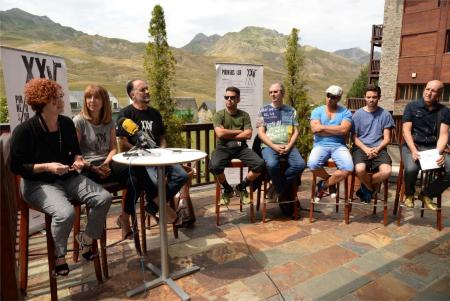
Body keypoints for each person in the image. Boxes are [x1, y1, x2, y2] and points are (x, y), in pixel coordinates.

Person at [10, 78, 112, 276]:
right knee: (66, 213)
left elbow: (76, 152)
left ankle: (86, 239)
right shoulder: (24, 131)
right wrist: (47, 167)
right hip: (38, 184)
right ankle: (59, 255)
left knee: (104, 198)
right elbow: (16, 166)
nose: (60, 101)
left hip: (68, 177)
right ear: (41, 103)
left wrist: (79, 160)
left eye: (60, 97)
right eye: (54, 98)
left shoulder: (66, 123)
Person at [73, 84, 149, 239]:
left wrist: (106, 163)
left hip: (107, 163)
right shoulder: (79, 121)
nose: (92, 101)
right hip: (87, 168)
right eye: (89, 97)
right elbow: (75, 153)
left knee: (136, 173)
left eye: (96, 97)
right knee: (134, 177)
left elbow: (113, 147)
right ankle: (91, 236)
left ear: (104, 101)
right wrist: (94, 168)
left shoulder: (108, 122)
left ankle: (125, 218)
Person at [117, 79, 188, 223]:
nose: (147, 92)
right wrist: (142, 153)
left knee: (182, 175)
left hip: (158, 157)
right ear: (132, 95)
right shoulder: (125, 114)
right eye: (142, 90)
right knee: (150, 183)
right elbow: (122, 142)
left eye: (147, 89)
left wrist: (161, 150)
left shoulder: (155, 113)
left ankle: (152, 206)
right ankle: (159, 207)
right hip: (140, 162)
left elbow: (162, 137)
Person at [209, 86, 265, 205]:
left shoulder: (244, 115)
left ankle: (241, 186)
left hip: (241, 148)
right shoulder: (219, 115)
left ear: (238, 99)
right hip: (223, 148)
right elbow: (219, 133)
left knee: (260, 164)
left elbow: (248, 134)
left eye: (232, 97)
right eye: (227, 97)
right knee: (214, 166)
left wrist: (226, 133)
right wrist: (239, 131)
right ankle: (227, 189)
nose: (229, 99)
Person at [401, 80, 450, 210]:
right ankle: (409, 195)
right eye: (427, 89)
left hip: (433, 148)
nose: (428, 93)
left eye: (433, 91)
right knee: (411, 169)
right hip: (413, 145)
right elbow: (406, 131)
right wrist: (412, 150)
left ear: (439, 94)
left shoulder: (444, 111)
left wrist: (438, 153)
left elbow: (444, 134)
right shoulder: (411, 106)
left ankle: (427, 194)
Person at [257, 82, 305, 202]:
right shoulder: (263, 111)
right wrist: (274, 146)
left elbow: (296, 132)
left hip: (288, 146)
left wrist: (289, 146)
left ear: (282, 93)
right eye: (271, 92)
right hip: (269, 146)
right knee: (272, 165)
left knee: (300, 165)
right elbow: (261, 133)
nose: (273, 94)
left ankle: (277, 185)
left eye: (276, 91)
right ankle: (281, 190)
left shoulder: (291, 111)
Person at [308, 85, 353, 201]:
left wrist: (322, 128)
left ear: (338, 98)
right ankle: (331, 183)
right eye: (328, 95)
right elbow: (315, 129)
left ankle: (323, 185)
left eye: (333, 97)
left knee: (348, 168)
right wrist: (336, 130)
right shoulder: (317, 111)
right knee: (312, 164)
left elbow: (344, 130)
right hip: (320, 145)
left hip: (339, 146)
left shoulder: (345, 112)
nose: (329, 99)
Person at [351, 85, 394, 203]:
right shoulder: (357, 115)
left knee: (387, 171)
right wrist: (366, 149)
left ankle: (364, 186)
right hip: (361, 148)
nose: (371, 100)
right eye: (368, 97)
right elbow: (354, 137)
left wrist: (377, 149)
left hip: (379, 149)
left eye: (374, 97)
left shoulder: (385, 115)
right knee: (360, 169)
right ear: (364, 97)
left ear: (379, 97)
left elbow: (387, 139)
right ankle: (370, 188)